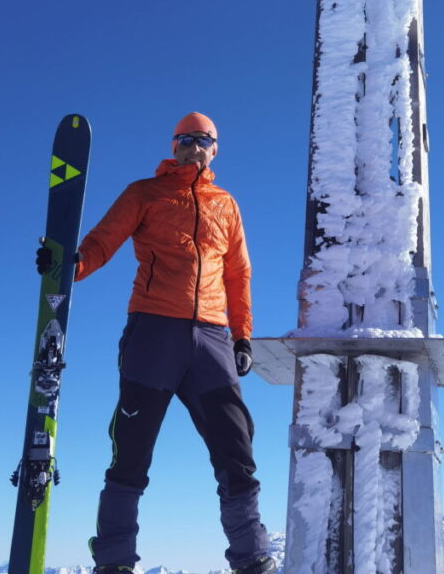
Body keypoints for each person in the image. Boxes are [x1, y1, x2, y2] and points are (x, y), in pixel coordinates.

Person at [39, 112, 272, 574]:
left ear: (214, 148)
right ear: (174, 145)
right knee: (132, 450)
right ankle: (115, 562)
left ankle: (252, 560)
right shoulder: (144, 192)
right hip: (153, 331)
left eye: (203, 140)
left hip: (212, 337)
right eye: (185, 139)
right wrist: (69, 265)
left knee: (236, 449)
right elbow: (103, 241)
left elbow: (237, 274)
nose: (194, 146)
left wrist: (242, 336)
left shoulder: (226, 204)